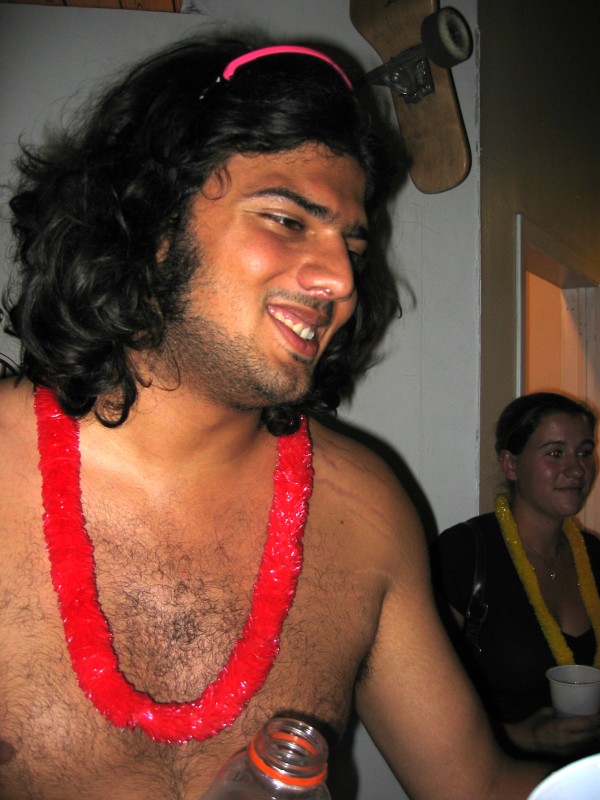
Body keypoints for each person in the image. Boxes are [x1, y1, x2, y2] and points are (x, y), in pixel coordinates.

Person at [0, 37, 548, 799]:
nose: (341, 280)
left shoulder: (366, 511)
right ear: (151, 226)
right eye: (288, 220)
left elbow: (477, 787)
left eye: (352, 243)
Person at [432, 392, 600, 764]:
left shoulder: (594, 556)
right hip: (500, 773)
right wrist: (526, 736)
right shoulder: (466, 552)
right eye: (555, 453)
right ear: (511, 465)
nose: (577, 469)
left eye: (584, 452)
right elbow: (418, 693)